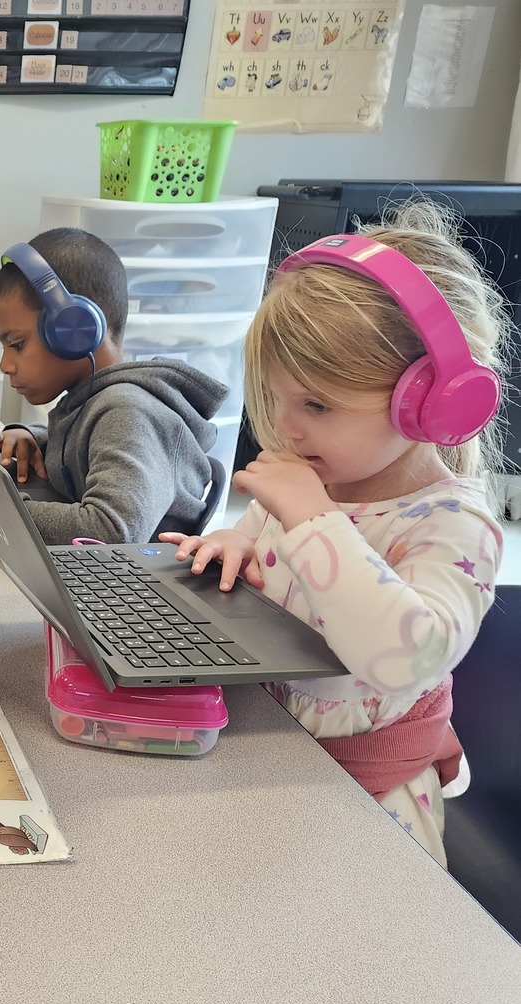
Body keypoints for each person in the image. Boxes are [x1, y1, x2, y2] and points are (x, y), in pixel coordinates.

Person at [161, 200, 509, 868]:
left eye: (317, 405)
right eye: (279, 398)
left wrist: (311, 519)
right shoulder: (318, 477)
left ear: (430, 399)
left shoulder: (454, 525)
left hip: (365, 814)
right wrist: (236, 546)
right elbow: (268, 550)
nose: (286, 429)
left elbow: (407, 657)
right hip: (271, 766)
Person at [0, 227, 228, 544]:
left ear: (74, 329)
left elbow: (111, 530)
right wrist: (34, 439)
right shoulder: (93, 400)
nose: (5, 365)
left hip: (127, 590)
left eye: (17, 344)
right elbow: (86, 447)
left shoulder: (127, 411)